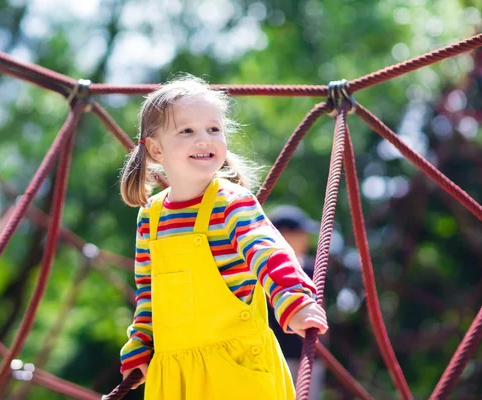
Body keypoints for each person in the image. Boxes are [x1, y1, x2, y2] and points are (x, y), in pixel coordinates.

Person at [117, 74, 328, 399]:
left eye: (213, 129)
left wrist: (293, 299)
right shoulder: (151, 216)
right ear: (156, 148)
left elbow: (269, 253)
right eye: (187, 130)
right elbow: (148, 291)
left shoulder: (231, 203)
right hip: (176, 376)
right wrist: (141, 342)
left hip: (235, 368)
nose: (204, 139)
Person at [268, 205, 326, 400]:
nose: (307, 239)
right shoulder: (263, 270)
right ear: (283, 234)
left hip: (305, 358)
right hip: (274, 357)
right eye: (301, 233)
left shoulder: (310, 268)